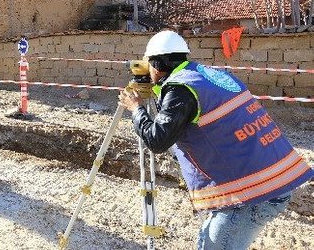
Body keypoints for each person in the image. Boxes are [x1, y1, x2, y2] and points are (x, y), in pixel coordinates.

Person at [118, 30, 313, 250]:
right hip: (271, 179)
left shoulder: (180, 90)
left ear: (157, 65)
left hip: (249, 194)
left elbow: (157, 140)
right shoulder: (205, 76)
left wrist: (136, 109)